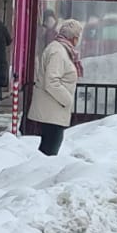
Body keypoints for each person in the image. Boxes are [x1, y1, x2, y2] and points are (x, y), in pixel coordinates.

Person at [29, 18, 82, 156]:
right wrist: (68, 100)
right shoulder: (58, 52)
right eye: (78, 37)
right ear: (74, 38)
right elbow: (52, 82)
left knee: (49, 147)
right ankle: (39, 175)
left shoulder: (62, 50)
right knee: (49, 151)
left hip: (54, 109)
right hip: (52, 109)